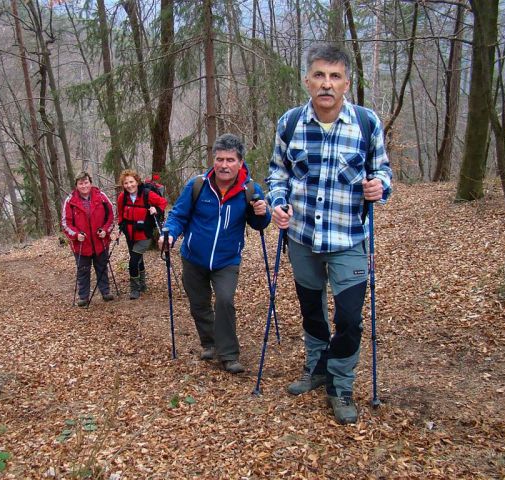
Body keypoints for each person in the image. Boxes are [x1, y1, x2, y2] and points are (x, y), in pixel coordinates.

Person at [266, 44, 392, 424]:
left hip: (349, 239)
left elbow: (383, 173)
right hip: (302, 237)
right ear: (307, 80)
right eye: (319, 75)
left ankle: (341, 383)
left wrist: (379, 187)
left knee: (350, 318)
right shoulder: (290, 123)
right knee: (311, 311)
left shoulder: (366, 123)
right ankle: (317, 366)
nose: (326, 84)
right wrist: (277, 200)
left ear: (346, 83)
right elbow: (277, 172)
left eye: (335, 76)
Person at [159, 134, 271, 374]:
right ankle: (209, 343)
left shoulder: (249, 189)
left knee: (225, 301)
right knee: (199, 304)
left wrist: (263, 213)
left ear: (240, 162)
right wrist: (169, 233)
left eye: (230, 160)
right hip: (193, 257)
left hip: (226, 260)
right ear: (214, 160)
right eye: (220, 159)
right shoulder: (198, 185)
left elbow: (258, 225)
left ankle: (229, 355)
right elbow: (178, 215)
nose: (224, 165)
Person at [62, 171, 115, 306]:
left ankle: (105, 292)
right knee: (83, 270)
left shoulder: (101, 196)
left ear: (90, 183)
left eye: (86, 182)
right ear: (76, 185)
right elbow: (65, 223)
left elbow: (111, 216)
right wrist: (75, 235)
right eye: (81, 183)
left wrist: (105, 230)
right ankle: (83, 297)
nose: (84, 186)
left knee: (102, 266)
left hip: (100, 240)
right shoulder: (70, 201)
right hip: (81, 243)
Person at [117, 169, 168, 300]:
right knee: (138, 259)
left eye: (131, 182)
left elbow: (163, 202)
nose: (129, 185)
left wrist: (155, 209)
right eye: (126, 183)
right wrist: (121, 226)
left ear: (137, 181)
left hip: (145, 233)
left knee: (133, 262)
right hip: (129, 233)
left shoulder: (147, 194)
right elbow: (120, 214)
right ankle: (143, 284)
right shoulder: (122, 197)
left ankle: (135, 289)